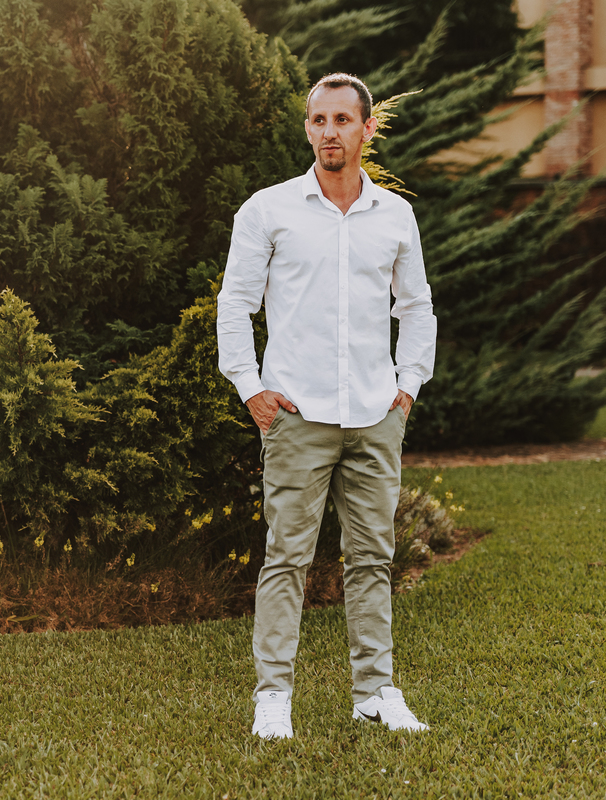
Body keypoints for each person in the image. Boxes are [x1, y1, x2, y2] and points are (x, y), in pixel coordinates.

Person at [216, 73, 437, 740]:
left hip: (375, 416)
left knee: (373, 560)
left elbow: (416, 307)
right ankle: (273, 697)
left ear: (366, 128)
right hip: (296, 415)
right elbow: (235, 304)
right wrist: (250, 387)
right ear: (308, 129)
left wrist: (407, 387)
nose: (330, 131)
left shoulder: (395, 215)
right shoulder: (268, 210)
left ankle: (375, 692)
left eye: (343, 119)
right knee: (286, 559)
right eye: (319, 120)